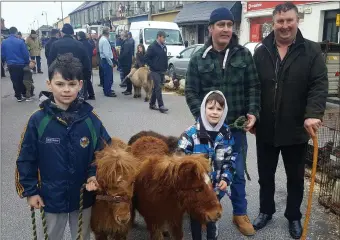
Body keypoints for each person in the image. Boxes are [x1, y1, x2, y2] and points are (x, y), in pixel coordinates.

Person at [252, 2, 328, 239]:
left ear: (297, 21)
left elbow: (318, 85)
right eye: (280, 21)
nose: (284, 26)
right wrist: (252, 113)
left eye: (289, 20)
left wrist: (313, 113)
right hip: (266, 128)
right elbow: (253, 86)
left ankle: (293, 216)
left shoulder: (312, 51)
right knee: (265, 175)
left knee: (295, 177)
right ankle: (266, 211)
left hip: (296, 128)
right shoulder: (261, 51)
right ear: (272, 24)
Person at [15, 53, 112, 240]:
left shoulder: (91, 120)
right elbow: (26, 158)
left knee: (82, 236)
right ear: (49, 84)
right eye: (60, 84)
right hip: (50, 197)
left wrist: (94, 174)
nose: (66, 90)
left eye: (72, 84)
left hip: (83, 195)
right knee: (52, 236)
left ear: (80, 85)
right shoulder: (37, 120)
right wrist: (30, 191)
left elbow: (105, 152)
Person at [185, 7, 260, 236]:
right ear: (211, 29)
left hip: (235, 129)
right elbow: (190, 91)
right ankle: (205, 209)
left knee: (235, 172)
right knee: (206, 174)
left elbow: (254, 87)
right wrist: (203, 121)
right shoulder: (199, 57)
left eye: (230, 25)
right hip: (206, 133)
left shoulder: (243, 55)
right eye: (221, 25)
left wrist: (253, 112)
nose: (226, 29)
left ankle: (240, 213)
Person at [178, 91, 238, 240]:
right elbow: (179, 158)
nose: (215, 112)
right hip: (196, 191)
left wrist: (226, 177)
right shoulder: (190, 134)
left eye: (219, 109)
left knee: (213, 218)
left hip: (216, 189)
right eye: (211, 108)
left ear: (224, 111)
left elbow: (230, 158)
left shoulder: (226, 133)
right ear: (204, 108)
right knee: (196, 218)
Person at [48, 24, 91, 100]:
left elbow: (50, 63)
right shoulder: (80, 44)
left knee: (61, 100)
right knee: (79, 102)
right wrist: (86, 78)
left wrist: (52, 78)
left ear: (62, 33)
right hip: (76, 77)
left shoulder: (55, 45)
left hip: (60, 77)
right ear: (72, 33)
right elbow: (86, 63)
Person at [1, 26, 30, 102]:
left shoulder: (4, 42)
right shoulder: (20, 41)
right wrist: (27, 62)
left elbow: (2, 55)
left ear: (9, 32)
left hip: (11, 65)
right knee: (22, 79)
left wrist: (6, 61)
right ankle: (24, 94)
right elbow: (25, 54)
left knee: (14, 80)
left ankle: (18, 96)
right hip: (21, 64)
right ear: (16, 32)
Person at [145, 31, 169, 114]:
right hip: (154, 71)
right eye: (163, 37)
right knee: (158, 87)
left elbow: (165, 58)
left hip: (162, 70)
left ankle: (151, 104)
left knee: (156, 88)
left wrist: (166, 68)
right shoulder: (152, 47)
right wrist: (153, 66)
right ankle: (161, 105)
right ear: (159, 37)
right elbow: (146, 58)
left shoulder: (164, 47)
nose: (164, 39)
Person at [99, 27, 116, 97]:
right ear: (107, 33)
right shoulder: (105, 41)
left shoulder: (102, 39)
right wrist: (111, 63)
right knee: (108, 77)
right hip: (106, 60)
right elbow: (106, 54)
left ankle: (107, 89)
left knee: (106, 76)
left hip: (104, 60)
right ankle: (107, 92)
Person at [78, 31, 95, 100]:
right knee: (87, 80)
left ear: (79, 36)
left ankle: (84, 95)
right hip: (89, 64)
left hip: (82, 64)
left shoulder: (79, 44)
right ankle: (91, 94)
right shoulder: (89, 43)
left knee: (82, 80)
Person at [119, 30, 134, 96]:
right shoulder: (125, 42)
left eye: (121, 35)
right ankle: (128, 89)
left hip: (126, 62)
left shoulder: (127, 43)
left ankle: (129, 90)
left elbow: (125, 53)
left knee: (127, 76)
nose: (120, 36)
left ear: (123, 36)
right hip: (126, 62)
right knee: (126, 75)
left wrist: (119, 58)